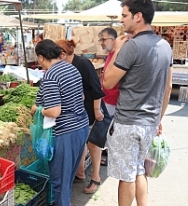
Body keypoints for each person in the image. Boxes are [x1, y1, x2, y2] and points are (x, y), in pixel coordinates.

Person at [102, 0, 173, 205]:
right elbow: (167, 88)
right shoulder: (165, 46)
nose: (121, 20)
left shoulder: (131, 46)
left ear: (138, 16)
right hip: (149, 123)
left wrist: (115, 50)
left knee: (127, 175)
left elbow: (107, 82)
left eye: (124, 15)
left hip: (128, 123)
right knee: (139, 169)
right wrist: (158, 119)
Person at [31, 39, 89, 206]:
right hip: (81, 127)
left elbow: (55, 111)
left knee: (60, 182)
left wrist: (39, 110)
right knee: (67, 177)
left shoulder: (50, 76)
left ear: (41, 57)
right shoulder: (71, 68)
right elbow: (82, 97)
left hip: (66, 133)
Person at [55, 39, 105, 194]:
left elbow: (97, 88)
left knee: (92, 143)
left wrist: (97, 110)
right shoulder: (66, 66)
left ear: (63, 53)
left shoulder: (82, 63)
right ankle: (80, 172)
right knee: (82, 142)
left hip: (90, 108)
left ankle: (94, 177)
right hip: (78, 111)